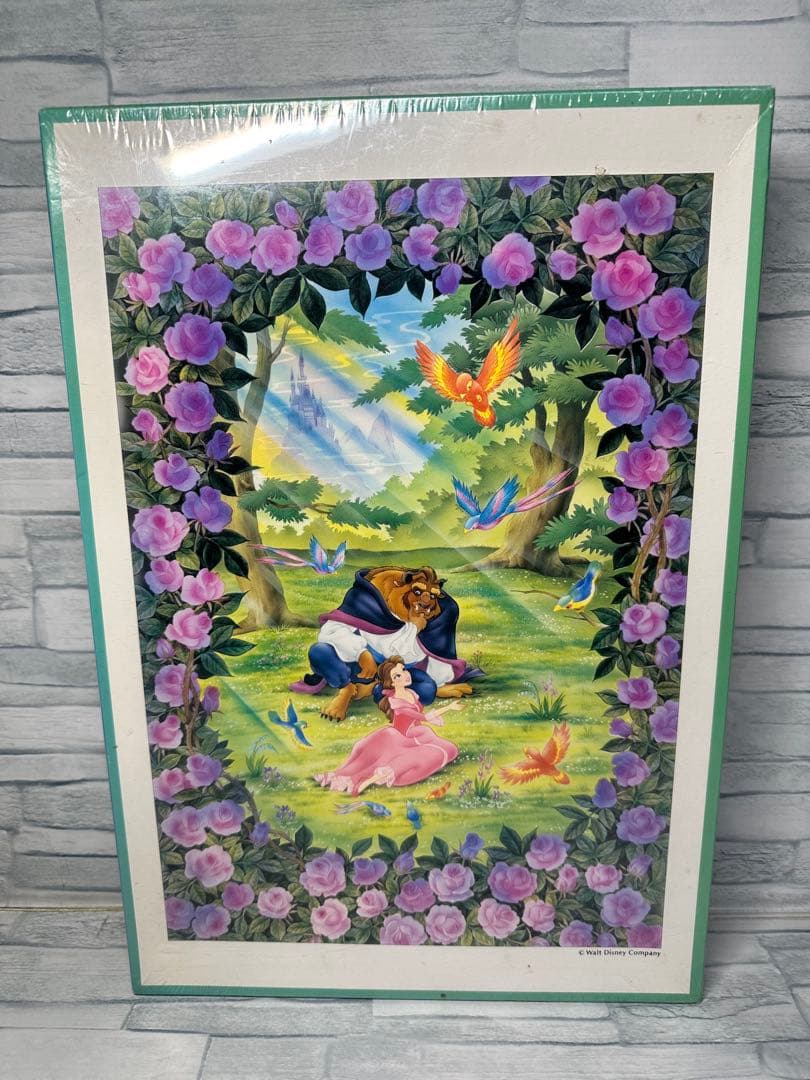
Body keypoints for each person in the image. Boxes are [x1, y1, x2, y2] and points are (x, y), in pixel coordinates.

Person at [313, 657, 462, 795]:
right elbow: (422, 717)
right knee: (377, 761)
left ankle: (376, 776)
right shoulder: (396, 701)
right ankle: (367, 779)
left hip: (416, 735)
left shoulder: (411, 693)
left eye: (403, 670)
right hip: (398, 738)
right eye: (397, 676)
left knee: (450, 749)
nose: (405, 675)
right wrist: (449, 708)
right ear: (391, 683)